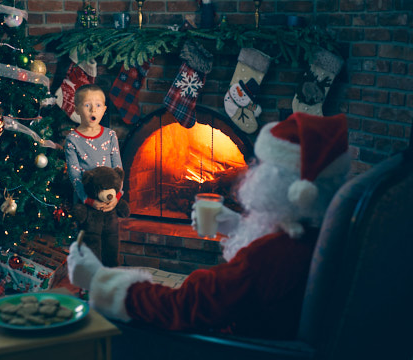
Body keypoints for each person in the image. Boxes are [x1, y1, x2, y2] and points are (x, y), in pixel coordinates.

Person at [67, 112, 350, 339]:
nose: (254, 172)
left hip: (230, 347)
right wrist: (238, 226)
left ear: (292, 188)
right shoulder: (325, 232)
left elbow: (183, 307)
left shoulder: (265, 258)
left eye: (265, 167)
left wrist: (99, 279)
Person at [64, 84, 123, 212]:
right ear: (77, 110)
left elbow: (118, 169)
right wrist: (88, 200)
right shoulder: (72, 139)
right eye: (87, 105)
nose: (93, 110)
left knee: (110, 229)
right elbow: (74, 175)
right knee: (86, 231)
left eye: (98, 105)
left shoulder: (110, 135)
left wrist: (117, 197)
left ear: (104, 109)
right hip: (86, 202)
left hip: (109, 198)